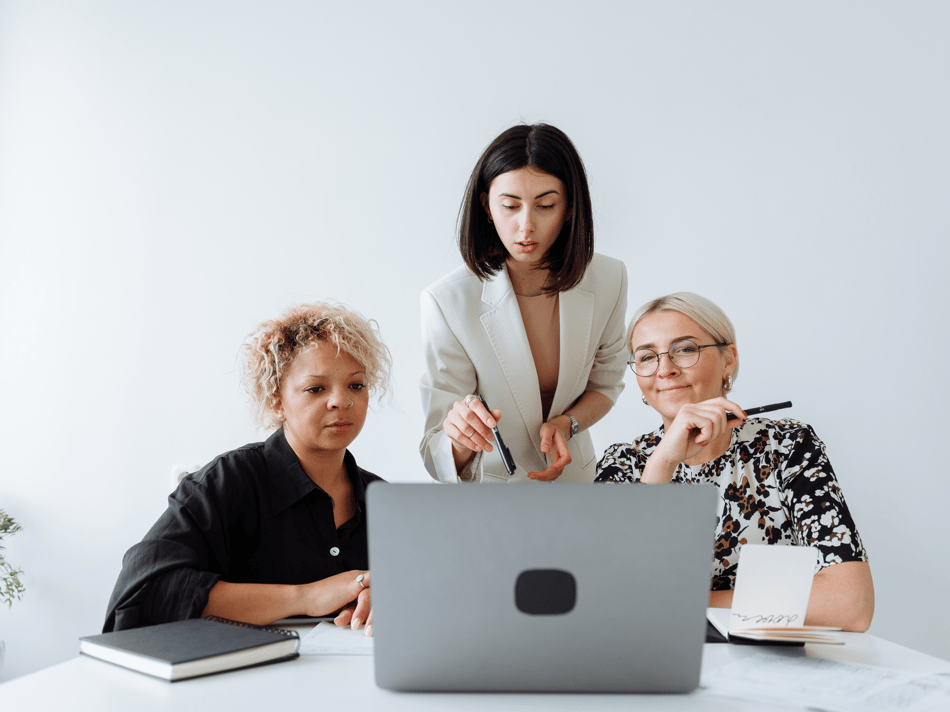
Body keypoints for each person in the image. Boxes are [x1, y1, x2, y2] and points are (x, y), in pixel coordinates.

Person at [103, 302, 391, 634]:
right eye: (316, 388)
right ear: (276, 401)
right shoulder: (226, 482)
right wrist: (306, 597)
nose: (342, 401)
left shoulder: (383, 499)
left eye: (356, 385)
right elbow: (144, 593)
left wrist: (386, 600)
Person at [596, 292, 874, 632]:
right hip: (658, 657)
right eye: (646, 357)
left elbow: (850, 604)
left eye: (685, 349)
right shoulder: (623, 462)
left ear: (728, 359)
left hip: (773, 663)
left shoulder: (786, 446)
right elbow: (607, 599)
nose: (665, 369)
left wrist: (673, 602)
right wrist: (663, 462)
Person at [420, 123, 627, 483]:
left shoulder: (609, 279)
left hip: (576, 483)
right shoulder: (448, 302)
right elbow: (435, 452)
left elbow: (605, 384)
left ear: (569, 208)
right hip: (496, 496)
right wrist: (462, 435)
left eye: (545, 205)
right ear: (486, 206)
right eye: (510, 206)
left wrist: (568, 424)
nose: (525, 226)